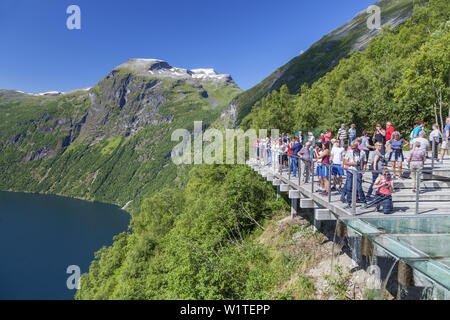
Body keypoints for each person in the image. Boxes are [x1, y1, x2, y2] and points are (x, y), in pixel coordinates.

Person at [343, 141, 367, 209]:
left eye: (354, 148)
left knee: (359, 188)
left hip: (358, 171)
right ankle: (348, 202)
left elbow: (365, 162)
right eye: (352, 148)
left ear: (357, 147)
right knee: (348, 187)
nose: (353, 149)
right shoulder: (349, 152)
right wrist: (352, 163)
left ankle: (364, 202)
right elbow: (345, 162)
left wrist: (364, 169)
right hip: (350, 171)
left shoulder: (362, 152)